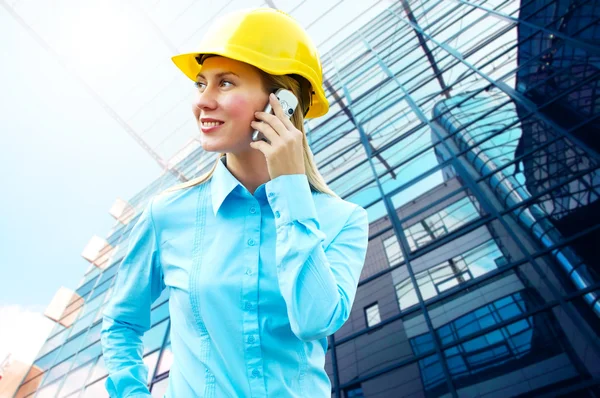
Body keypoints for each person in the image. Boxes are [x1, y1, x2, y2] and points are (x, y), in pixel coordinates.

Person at [100, 7, 369, 398]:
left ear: (283, 101)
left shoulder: (343, 220)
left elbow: (314, 320)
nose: (203, 102)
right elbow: (122, 323)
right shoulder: (166, 214)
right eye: (200, 84)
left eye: (225, 83)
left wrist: (291, 189)